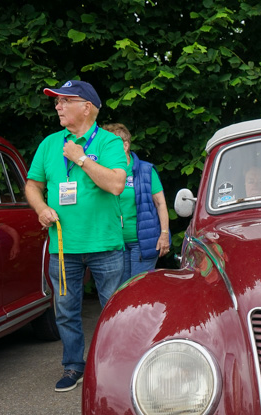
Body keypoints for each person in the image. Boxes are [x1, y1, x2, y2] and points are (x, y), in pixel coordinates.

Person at [24, 80, 127, 392]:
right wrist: (41, 208)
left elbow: (115, 184)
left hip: (105, 244)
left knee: (113, 312)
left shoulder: (108, 143)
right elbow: (32, 185)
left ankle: (113, 369)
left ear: (86, 107)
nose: (57, 106)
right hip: (63, 244)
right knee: (66, 311)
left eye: (64, 100)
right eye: (56, 101)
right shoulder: (49, 144)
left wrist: (81, 158)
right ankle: (72, 366)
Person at [102, 123, 170, 282]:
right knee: (121, 291)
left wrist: (164, 234)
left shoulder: (146, 170)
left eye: (110, 144)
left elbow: (160, 204)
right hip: (115, 244)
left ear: (125, 145)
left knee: (139, 289)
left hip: (142, 242)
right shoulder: (103, 172)